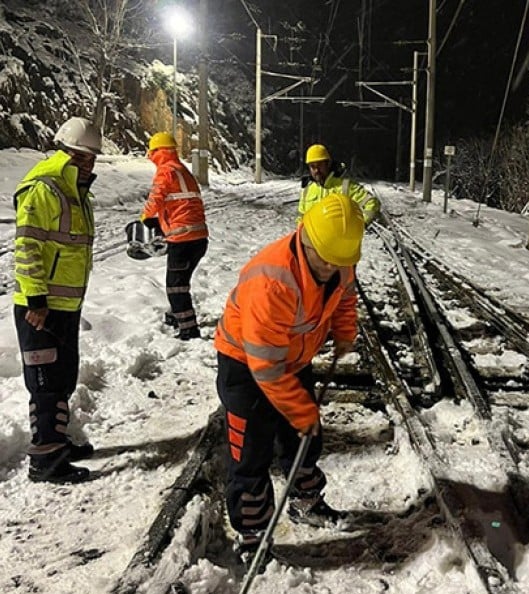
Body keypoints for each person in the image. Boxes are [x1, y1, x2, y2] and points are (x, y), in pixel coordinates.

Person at [213, 193, 364, 561]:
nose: (331, 267)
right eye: (324, 259)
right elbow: (265, 367)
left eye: (339, 262)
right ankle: (252, 538)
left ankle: (306, 501)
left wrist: (344, 330)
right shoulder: (272, 280)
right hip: (246, 366)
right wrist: (299, 407)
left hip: (294, 358)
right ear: (306, 238)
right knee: (250, 453)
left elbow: (344, 297)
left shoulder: (339, 254)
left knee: (303, 440)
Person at [11, 117, 102, 483]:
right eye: (80, 156)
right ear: (63, 150)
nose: (87, 163)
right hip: (40, 308)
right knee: (45, 383)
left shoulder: (76, 191)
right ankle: (45, 461)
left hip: (64, 306)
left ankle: (57, 440)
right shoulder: (44, 188)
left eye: (91, 157)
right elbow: (26, 246)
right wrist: (35, 300)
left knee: (62, 377)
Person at [140, 131, 209, 340]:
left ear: (156, 151)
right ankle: (177, 316)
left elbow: (156, 198)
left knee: (175, 286)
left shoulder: (165, 171)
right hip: (198, 238)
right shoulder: (182, 170)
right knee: (181, 282)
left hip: (182, 239)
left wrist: (145, 217)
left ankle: (188, 329)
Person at [297, 144, 381, 225]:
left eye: (320, 165)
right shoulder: (307, 190)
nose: (316, 170)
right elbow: (301, 218)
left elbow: (371, 203)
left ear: (328, 164)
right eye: (313, 166)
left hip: (341, 239)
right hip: (315, 239)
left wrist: (360, 225)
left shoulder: (345, 186)